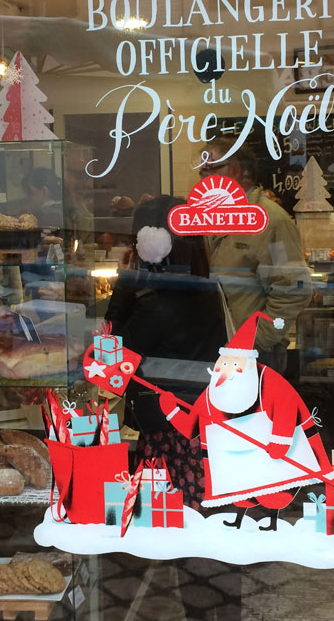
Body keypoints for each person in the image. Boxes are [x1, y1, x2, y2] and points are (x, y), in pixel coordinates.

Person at [104, 195, 227, 510]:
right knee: (196, 513)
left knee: (163, 516)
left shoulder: (156, 303)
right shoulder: (207, 288)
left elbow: (112, 354)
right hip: (199, 419)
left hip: (166, 430)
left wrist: (124, 282)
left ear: (152, 243)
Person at [158, 312, 334, 531]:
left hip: (271, 454)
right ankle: (239, 518)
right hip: (237, 460)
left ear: (249, 365)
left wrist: (280, 441)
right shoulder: (214, 392)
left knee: (274, 492)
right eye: (223, 364)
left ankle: (272, 520)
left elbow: (287, 407)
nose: (226, 371)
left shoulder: (269, 381)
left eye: (234, 365)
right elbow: (190, 429)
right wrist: (171, 410)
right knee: (241, 493)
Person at [197, 138, 313, 372]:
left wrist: (255, 341)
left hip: (255, 355)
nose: (203, 176)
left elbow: (293, 288)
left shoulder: (271, 222)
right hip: (217, 348)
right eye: (202, 170)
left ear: (239, 171)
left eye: (211, 168)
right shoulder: (208, 217)